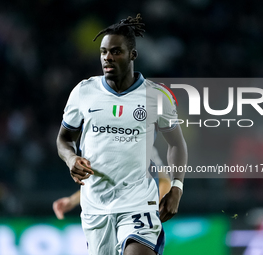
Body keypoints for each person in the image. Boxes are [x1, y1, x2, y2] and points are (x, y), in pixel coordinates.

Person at [56, 14, 187, 255]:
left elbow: (177, 144)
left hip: (140, 204)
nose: (107, 57)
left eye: (116, 51)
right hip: (96, 206)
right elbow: (64, 139)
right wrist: (71, 159)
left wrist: (176, 188)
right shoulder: (83, 92)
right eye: (104, 52)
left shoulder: (156, 97)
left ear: (132, 55)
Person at [53, 147, 172, 220]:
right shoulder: (99, 145)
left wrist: (155, 206)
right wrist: (72, 201)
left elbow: (164, 180)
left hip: (137, 217)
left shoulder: (142, 143)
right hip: (106, 217)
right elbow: (103, 186)